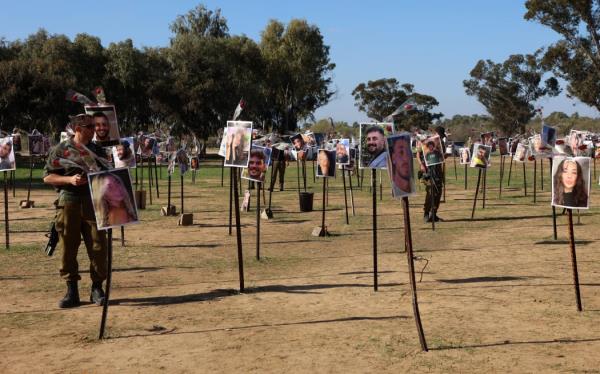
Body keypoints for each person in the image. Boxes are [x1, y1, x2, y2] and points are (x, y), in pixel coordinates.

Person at [43, 114, 108, 308]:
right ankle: (72, 292)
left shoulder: (97, 151)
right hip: (69, 202)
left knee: (98, 247)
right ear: (78, 129)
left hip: (93, 202)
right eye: (90, 126)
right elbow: (47, 177)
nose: (94, 129)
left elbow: (109, 176)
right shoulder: (61, 150)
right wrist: (69, 180)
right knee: (68, 248)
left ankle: (97, 288)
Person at [417, 126, 445, 223]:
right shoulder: (426, 141)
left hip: (438, 172)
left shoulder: (441, 143)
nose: (440, 138)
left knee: (438, 193)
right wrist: (421, 165)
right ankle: (426, 213)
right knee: (430, 193)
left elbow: (442, 156)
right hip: (428, 171)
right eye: (440, 135)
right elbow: (418, 154)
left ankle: (434, 214)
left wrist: (445, 156)